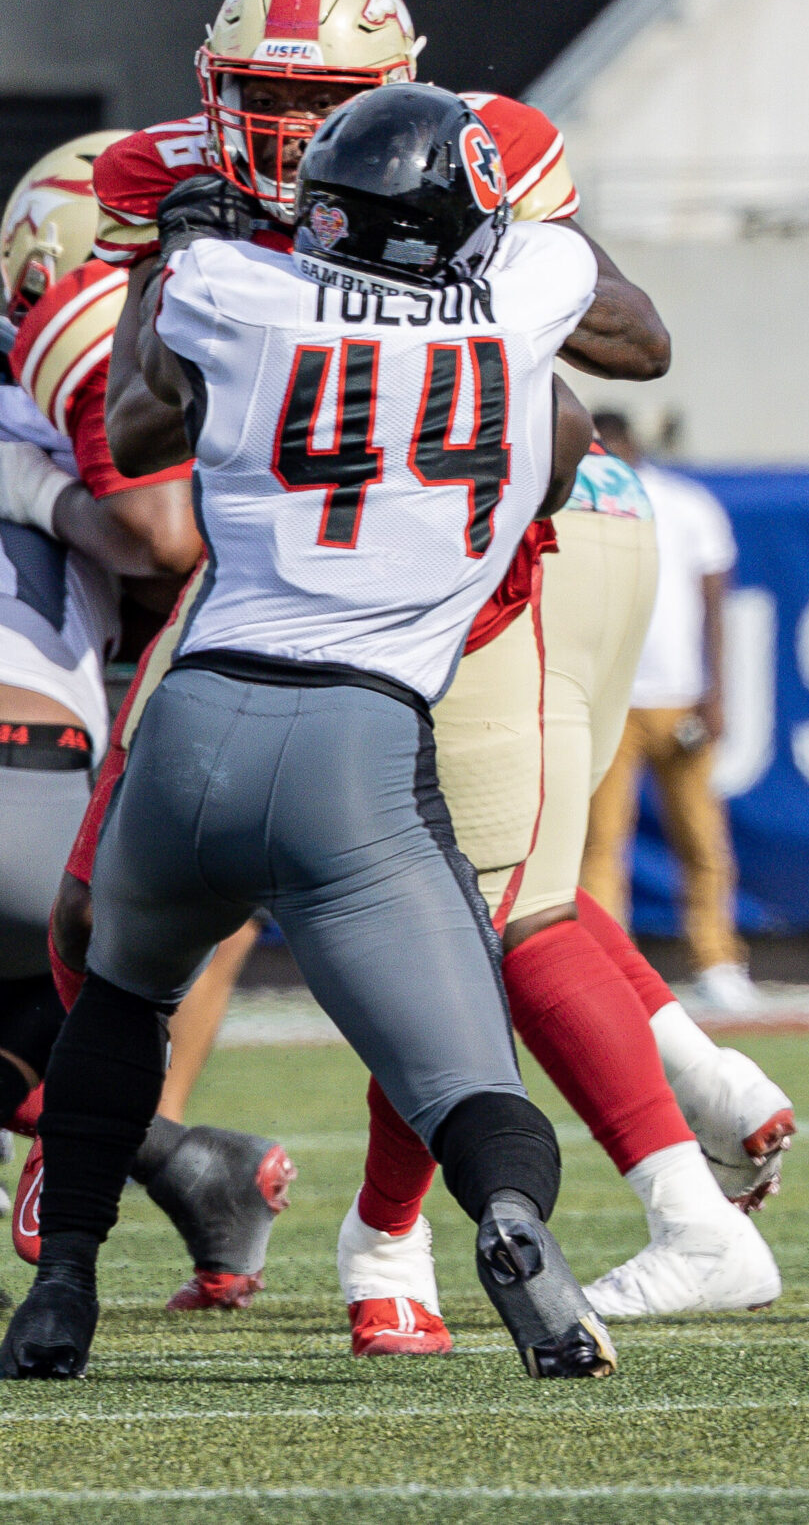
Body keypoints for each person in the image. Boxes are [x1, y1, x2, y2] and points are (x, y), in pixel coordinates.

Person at [70, 0, 793, 1349]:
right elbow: (137, 432)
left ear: (393, 98)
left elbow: (619, 363)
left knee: (494, 908)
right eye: (261, 100)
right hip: (286, 591)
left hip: (500, 564)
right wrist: (196, 257)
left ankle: (467, 1226)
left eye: (320, 103)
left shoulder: (481, 155)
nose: (283, 133)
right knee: (127, 903)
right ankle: (449, 1207)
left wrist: (446, 246)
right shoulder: (169, 184)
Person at [1, 84, 617, 1379]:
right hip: (361, 745)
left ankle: (60, 1289)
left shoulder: (235, 283)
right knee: (463, 1073)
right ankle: (507, 1224)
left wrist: (175, 254)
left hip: (195, 721)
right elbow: (613, 354)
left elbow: (136, 422)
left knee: (119, 999)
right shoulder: (531, 283)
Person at [0, 132, 295, 1309]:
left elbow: (153, 530)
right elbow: (167, 540)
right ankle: (170, 1150)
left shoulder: (53, 341)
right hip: (38, 771)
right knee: (213, 875)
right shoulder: (90, 337)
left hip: (32, 769)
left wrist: (40, 491)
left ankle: (160, 1151)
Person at [583, 411, 757, 1015]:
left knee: (702, 839)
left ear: (631, 445)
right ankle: (610, 968)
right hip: (608, 696)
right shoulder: (574, 501)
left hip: (677, 693)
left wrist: (716, 692)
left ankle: (717, 960)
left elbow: (715, 602)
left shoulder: (685, 504)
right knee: (600, 844)